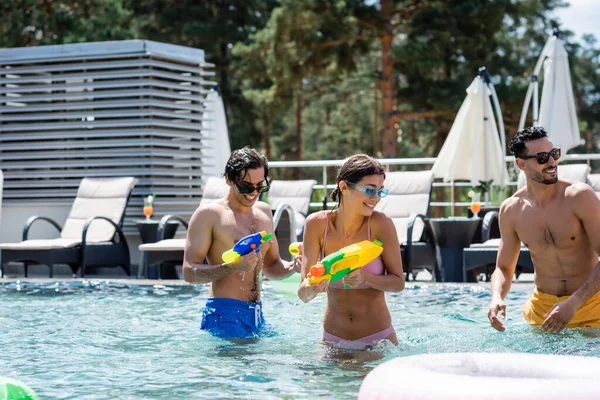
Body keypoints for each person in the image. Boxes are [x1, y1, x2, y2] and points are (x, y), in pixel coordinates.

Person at [488, 126, 600, 333]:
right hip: (543, 311)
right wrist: (496, 297)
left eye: (554, 154)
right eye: (541, 157)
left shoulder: (579, 197)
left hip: (592, 306)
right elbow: (503, 268)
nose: (552, 162)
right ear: (521, 164)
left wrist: (573, 303)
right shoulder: (512, 210)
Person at [183, 146, 301, 339]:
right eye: (246, 186)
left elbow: (271, 266)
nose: (253, 193)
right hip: (224, 314)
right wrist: (231, 267)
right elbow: (188, 273)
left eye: (259, 186)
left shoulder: (264, 213)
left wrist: (293, 267)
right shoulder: (209, 215)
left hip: (256, 315)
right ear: (229, 178)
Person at [298, 154, 405, 350]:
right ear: (344, 187)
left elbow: (398, 283)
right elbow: (303, 294)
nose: (375, 199)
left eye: (380, 191)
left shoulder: (381, 224)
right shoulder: (316, 225)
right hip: (332, 340)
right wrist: (314, 286)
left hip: (377, 340)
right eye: (370, 190)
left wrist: (365, 278)